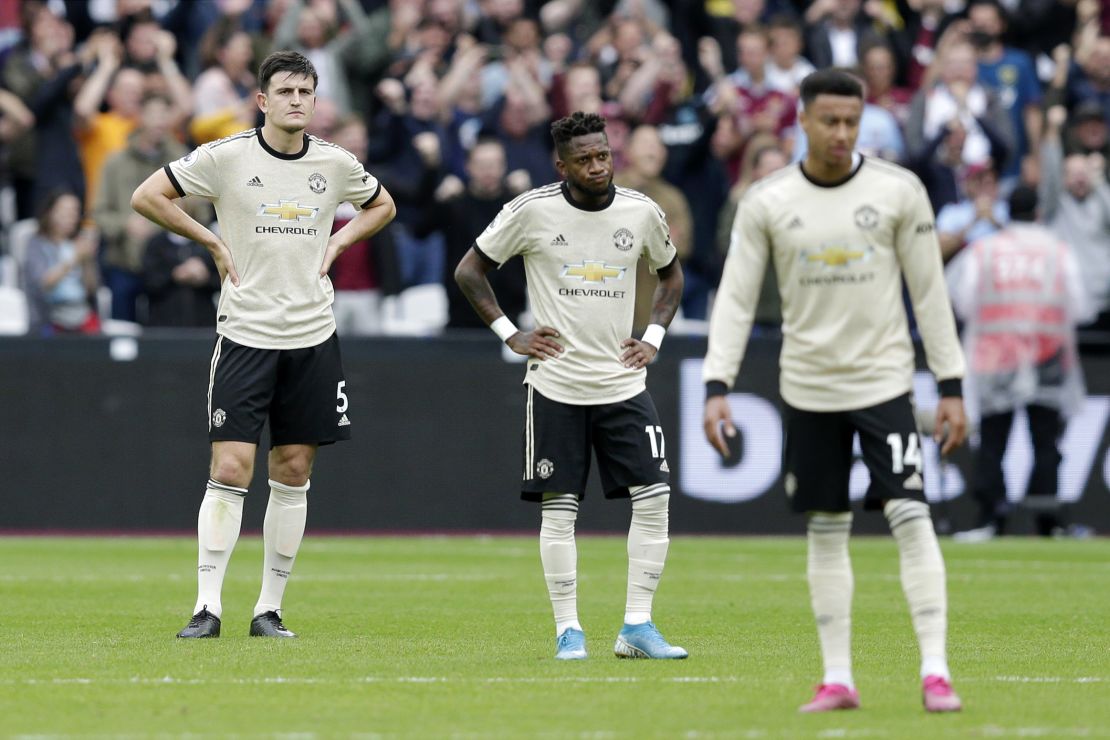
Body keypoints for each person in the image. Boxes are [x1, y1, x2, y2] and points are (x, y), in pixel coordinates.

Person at [701, 69, 968, 713]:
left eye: (852, 121)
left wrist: (952, 383)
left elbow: (930, 292)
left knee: (911, 515)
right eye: (830, 121)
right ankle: (838, 678)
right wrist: (717, 383)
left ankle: (935, 670)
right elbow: (735, 298)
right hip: (809, 387)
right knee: (826, 528)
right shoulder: (766, 201)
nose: (842, 133)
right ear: (803, 120)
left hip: (883, 383)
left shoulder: (899, 191)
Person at [130, 50, 396, 639]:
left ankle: (268, 609)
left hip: (312, 336)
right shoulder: (226, 157)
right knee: (230, 465)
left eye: (306, 91)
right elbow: (148, 196)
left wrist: (337, 244)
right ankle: (207, 607)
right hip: (246, 334)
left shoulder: (334, 164)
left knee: (294, 469)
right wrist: (213, 244)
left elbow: (383, 205)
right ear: (262, 100)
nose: (297, 100)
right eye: (286, 91)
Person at [454, 111, 687, 661]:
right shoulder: (531, 212)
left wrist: (652, 336)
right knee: (560, 510)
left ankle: (637, 626)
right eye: (584, 159)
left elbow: (671, 274)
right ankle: (568, 630)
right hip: (556, 385)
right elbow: (470, 270)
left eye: (603, 154)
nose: (598, 165)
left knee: (654, 498)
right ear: (562, 165)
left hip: (624, 383)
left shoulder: (641, 212)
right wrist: (510, 333)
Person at [947, 186, 1095, 541]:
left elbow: (962, 300)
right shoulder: (1056, 251)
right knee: (1045, 441)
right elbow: (1081, 305)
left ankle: (991, 518)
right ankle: (1047, 520)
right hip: (1047, 356)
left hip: (996, 358)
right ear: (1038, 212)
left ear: (1006, 210)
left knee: (993, 442)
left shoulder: (984, 250)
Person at [23, 189, 101, 336]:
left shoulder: (78, 243)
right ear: (50, 212)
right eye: (65, 211)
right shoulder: (36, 244)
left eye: (75, 211)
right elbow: (43, 283)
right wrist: (74, 259)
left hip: (82, 316)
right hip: (49, 319)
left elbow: (91, 289)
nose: (71, 217)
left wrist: (87, 260)